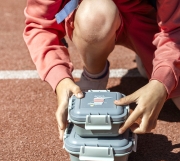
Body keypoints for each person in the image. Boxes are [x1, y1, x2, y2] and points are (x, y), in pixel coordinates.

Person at [23, 0, 180, 140]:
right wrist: (60, 79)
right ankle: (94, 75)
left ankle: (148, 56)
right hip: (95, 15)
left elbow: (175, 31)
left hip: (152, 21)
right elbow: (40, 25)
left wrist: (162, 81)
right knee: (94, 15)